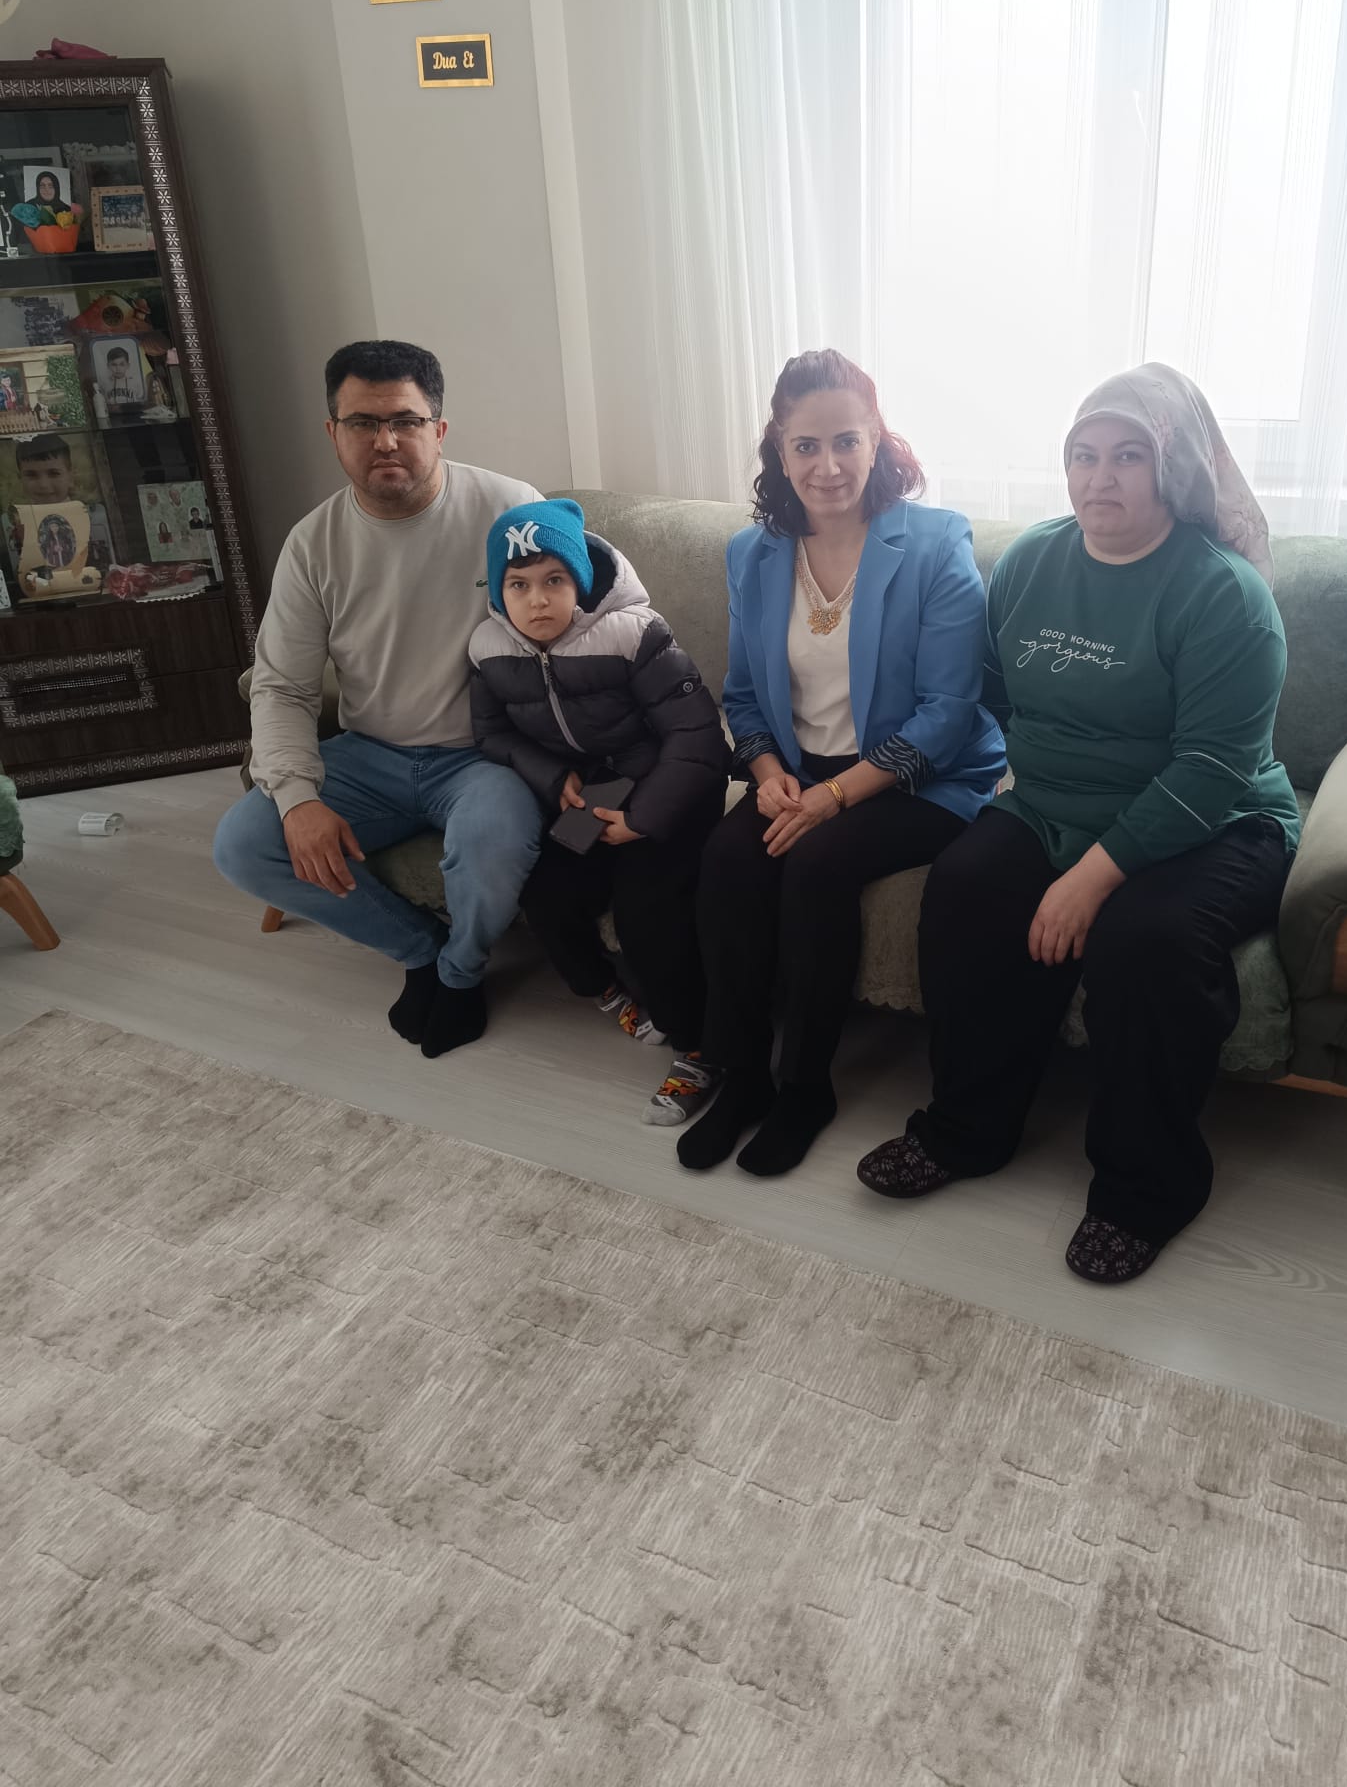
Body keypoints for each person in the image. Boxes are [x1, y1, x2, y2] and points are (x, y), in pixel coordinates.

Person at [857, 363, 1300, 1283]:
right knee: (967, 889)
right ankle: (967, 1131)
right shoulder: (1031, 562)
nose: (1101, 478)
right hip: (1052, 803)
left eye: (1128, 456)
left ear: (1172, 470)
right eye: (1083, 455)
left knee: (1145, 943)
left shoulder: (1225, 596)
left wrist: (1091, 878)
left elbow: (1212, 770)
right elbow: (986, 693)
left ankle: (1146, 1190)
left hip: (1215, 824)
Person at [680, 348, 1006, 1178]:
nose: (827, 466)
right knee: (727, 860)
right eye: (806, 445)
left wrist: (832, 801)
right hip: (802, 770)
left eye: (846, 441)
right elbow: (742, 695)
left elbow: (948, 710)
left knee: (816, 866)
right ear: (778, 450)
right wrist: (768, 777)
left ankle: (805, 1089)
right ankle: (742, 1076)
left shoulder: (935, 543)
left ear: (877, 438)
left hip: (921, 778)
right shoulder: (751, 553)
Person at [212, 338, 546, 1059]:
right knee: (243, 845)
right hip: (370, 756)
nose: (385, 440)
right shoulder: (313, 543)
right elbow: (281, 685)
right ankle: (421, 951)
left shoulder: (511, 510)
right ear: (333, 433)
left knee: (492, 841)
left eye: (405, 420)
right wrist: (296, 799)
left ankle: (461, 974)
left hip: (483, 759)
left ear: (439, 429)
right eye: (362, 422)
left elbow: (594, 622)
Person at [469, 498, 730, 1123]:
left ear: (580, 583)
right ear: (498, 591)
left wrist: (643, 819)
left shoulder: (634, 633)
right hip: (596, 794)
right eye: (519, 585)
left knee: (648, 913)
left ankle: (700, 1047)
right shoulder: (488, 649)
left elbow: (698, 739)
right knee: (546, 893)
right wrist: (551, 775)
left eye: (554, 581)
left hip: (670, 791)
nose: (537, 601)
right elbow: (492, 735)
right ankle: (606, 992)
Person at [11, 434, 113, 570]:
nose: (43, 484)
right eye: (31, 475)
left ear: (71, 476)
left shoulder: (93, 518)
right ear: (20, 479)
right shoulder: (18, 524)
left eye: (54, 473)